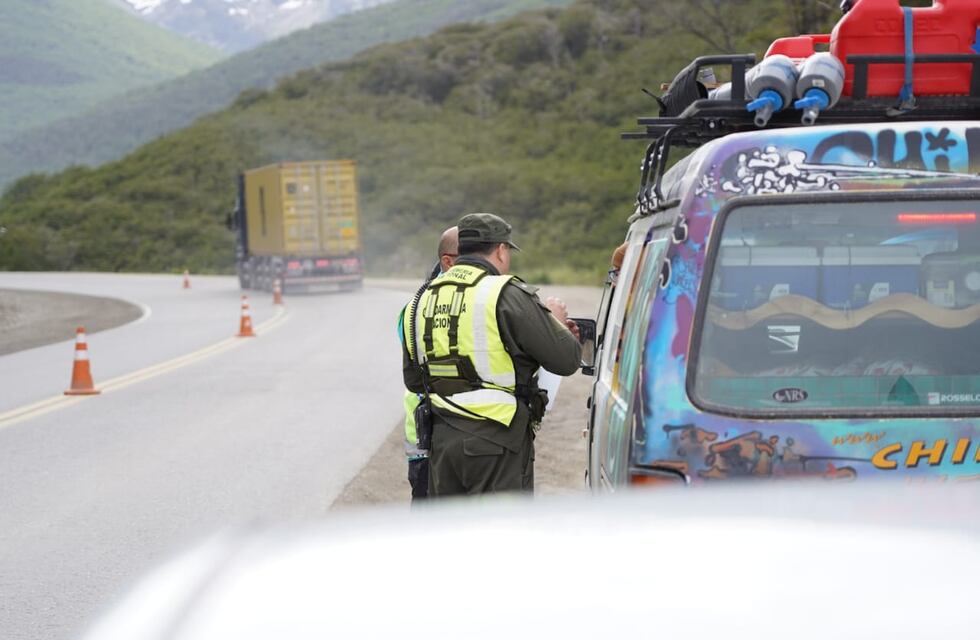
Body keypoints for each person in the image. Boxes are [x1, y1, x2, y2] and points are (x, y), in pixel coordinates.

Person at [402, 213, 581, 496]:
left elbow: (414, 380)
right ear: (500, 250)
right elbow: (567, 359)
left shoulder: (422, 299)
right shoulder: (505, 293)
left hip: (442, 444)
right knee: (499, 535)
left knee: (453, 536)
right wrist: (557, 323)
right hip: (497, 443)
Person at [401, 226, 458, 501]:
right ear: (447, 261)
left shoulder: (418, 303)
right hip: (428, 439)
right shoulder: (420, 307)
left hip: (444, 438)